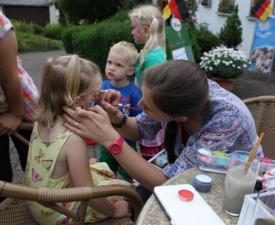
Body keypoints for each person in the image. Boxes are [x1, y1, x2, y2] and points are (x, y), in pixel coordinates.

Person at [63, 60, 262, 199]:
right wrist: (117, 118)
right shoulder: (178, 89)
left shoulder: (225, 120)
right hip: (187, 176)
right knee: (137, 197)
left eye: (147, 106)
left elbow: (169, 183)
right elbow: (140, 129)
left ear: (180, 118)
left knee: (140, 198)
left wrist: (110, 140)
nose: (140, 104)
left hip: (231, 188)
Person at [24, 55, 131, 225]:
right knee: (125, 189)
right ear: (77, 101)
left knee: (98, 167)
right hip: (59, 213)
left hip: (36, 200)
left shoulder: (41, 119)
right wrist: (114, 210)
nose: (96, 97)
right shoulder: (73, 140)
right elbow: (86, 193)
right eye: (93, 95)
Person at [0, 12, 39, 202]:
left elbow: (9, 78)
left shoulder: (1, 25)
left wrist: (15, 114)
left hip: (18, 106)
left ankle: (41, 199)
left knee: (33, 161)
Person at [99, 41, 142, 180]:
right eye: (109, 62)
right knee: (104, 169)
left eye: (118, 65)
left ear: (130, 70)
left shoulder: (134, 93)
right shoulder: (102, 86)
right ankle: (107, 192)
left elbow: (138, 121)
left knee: (127, 172)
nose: (111, 68)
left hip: (127, 143)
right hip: (105, 137)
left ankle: (126, 194)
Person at [129, 4, 167, 160]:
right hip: (146, 110)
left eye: (134, 28)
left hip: (150, 115)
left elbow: (153, 93)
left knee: (150, 154)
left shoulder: (153, 58)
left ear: (145, 30)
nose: (132, 32)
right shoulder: (150, 52)